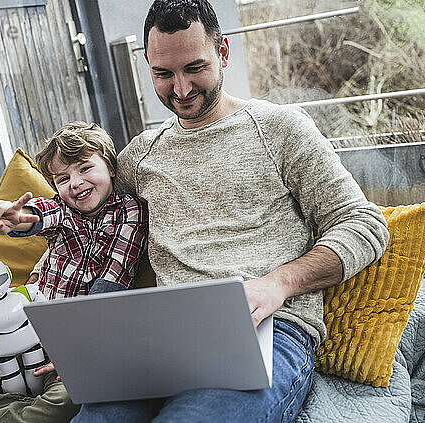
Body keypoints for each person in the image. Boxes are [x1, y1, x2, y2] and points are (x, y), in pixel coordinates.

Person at [70, 1, 390, 422]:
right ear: (147, 65)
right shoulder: (140, 155)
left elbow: (363, 224)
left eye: (194, 68)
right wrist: (31, 216)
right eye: (163, 74)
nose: (181, 89)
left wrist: (277, 283)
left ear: (223, 53)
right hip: (164, 337)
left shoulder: (280, 129)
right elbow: (94, 220)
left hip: (268, 331)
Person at [0, 121, 148, 423]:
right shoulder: (62, 210)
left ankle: (15, 410)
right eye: (63, 178)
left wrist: (76, 353)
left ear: (111, 168)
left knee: (66, 399)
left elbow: (110, 286)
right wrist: (16, 217)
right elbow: (39, 214)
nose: (75, 183)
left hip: (68, 347)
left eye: (85, 168)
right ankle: (20, 409)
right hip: (21, 337)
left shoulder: (130, 211)